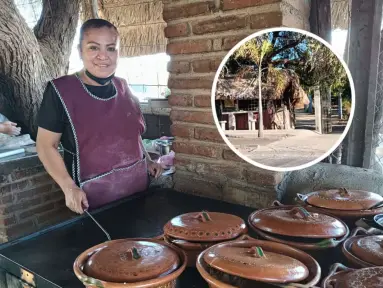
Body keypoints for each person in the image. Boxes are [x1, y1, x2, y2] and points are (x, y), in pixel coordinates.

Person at [36, 18, 163, 215]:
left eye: (111, 48)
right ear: (80, 51)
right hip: (92, 198)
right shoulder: (61, 90)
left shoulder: (124, 87)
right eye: (94, 48)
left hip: (137, 188)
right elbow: (45, 145)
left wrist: (147, 160)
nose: (103, 56)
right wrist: (68, 187)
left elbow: (133, 135)